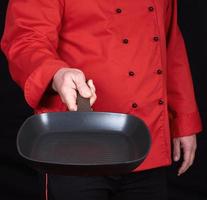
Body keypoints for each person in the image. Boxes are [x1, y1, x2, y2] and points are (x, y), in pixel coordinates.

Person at [1, 0, 202, 200]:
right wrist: (55, 74)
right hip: (73, 145)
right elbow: (26, 37)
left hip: (146, 138)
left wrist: (183, 119)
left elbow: (170, 44)